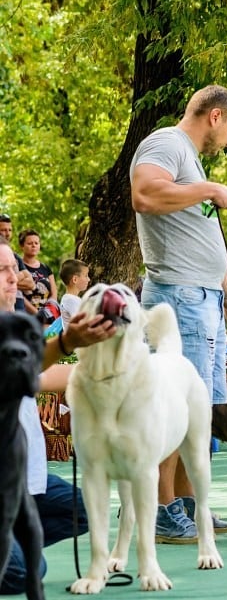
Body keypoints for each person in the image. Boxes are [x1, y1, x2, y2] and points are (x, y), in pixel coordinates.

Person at [130, 84, 227, 541]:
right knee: (173, 408)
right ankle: (164, 509)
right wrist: (208, 189)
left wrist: (226, 292)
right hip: (178, 300)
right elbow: (144, 194)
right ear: (216, 116)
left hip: (201, 297)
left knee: (196, 410)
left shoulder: (186, 155)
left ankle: (186, 504)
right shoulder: (166, 143)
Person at [0, 237, 115, 595]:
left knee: (84, 509)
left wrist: (103, 372)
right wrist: (67, 343)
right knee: (25, 572)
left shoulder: (16, 319)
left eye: (12, 268)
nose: (13, 276)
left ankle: (12, 543)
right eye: (2, 270)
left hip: (27, 478)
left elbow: (41, 377)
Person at [17, 229, 56, 318]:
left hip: (47, 315)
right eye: (30, 243)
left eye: (36, 243)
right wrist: (37, 313)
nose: (34, 246)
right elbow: (19, 294)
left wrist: (49, 312)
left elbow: (54, 293)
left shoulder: (46, 268)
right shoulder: (18, 268)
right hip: (25, 315)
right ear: (21, 246)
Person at [0, 214, 34, 311]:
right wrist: (22, 275)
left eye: (10, 230)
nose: (7, 233)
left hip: (17, 301)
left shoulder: (15, 256)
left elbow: (31, 284)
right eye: (3, 230)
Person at [58, 259, 90, 329]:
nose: (89, 279)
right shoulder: (70, 300)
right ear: (75, 279)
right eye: (86, 276)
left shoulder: (72, 298)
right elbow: (81, 323)